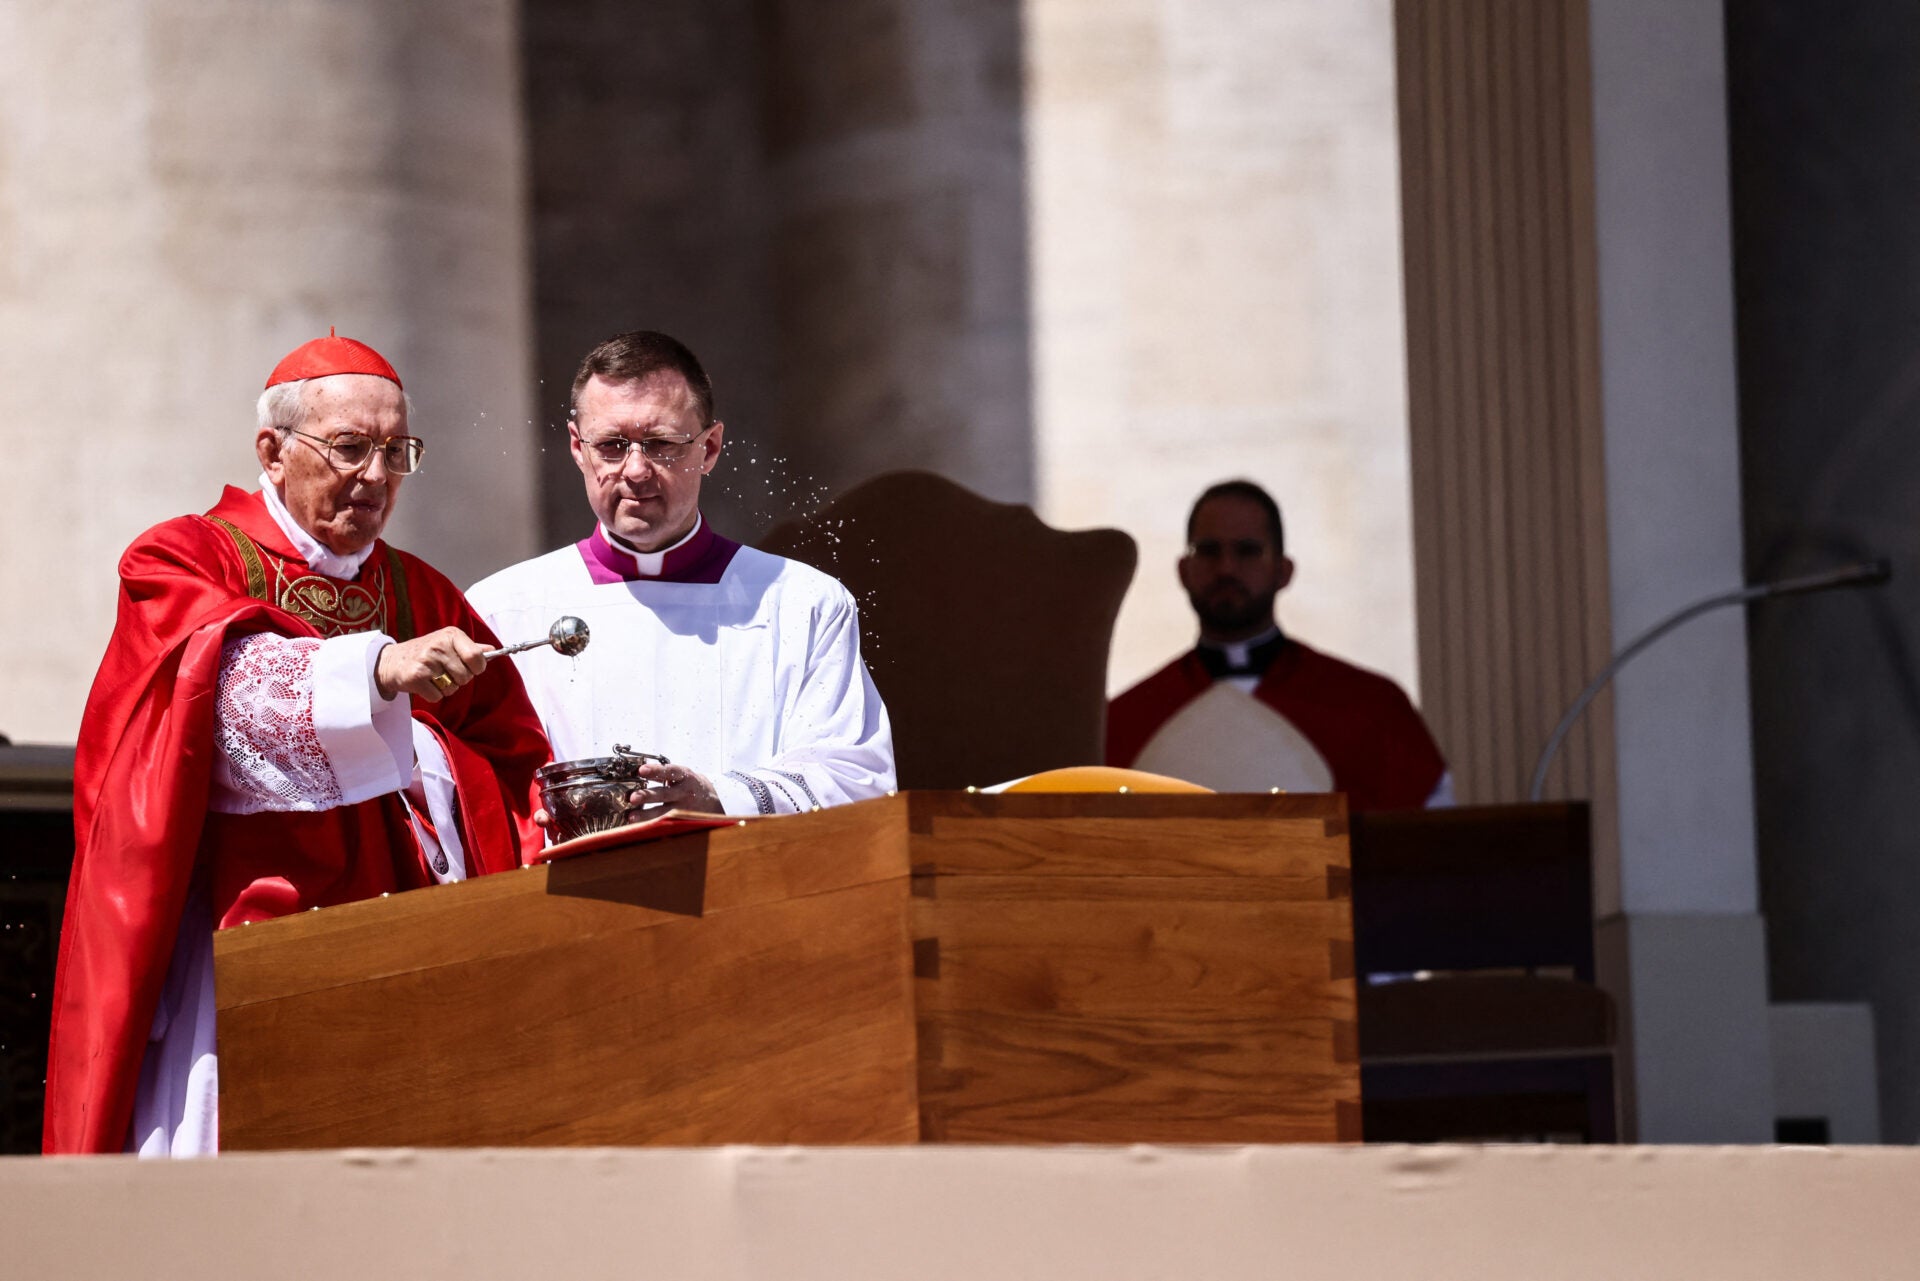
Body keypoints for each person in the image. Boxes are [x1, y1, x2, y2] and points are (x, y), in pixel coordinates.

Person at [43, 333, 550, 1156]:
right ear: (272, 453)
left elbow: (511, 755)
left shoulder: (419, 588)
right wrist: (377, 673)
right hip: (243, 940)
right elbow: (213, 703)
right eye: (351, 448)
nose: (377, 478)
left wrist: (440, 766)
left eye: (396, 452)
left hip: (403, 954)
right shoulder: (183, 556)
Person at [467, 330, 893, 817]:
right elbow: (464, 783)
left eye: (660, 444)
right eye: (610, 445)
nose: (635, 470)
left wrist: (717, 797)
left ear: (709, 448)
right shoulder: (503, 608)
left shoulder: (802, 603)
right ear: (577, 448)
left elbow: (855, 779)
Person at [1106, 479, 1450, 811]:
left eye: (1248, 551)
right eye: (1209, 551)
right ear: (1183, 570)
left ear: (1283, 571)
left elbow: (1427, 847)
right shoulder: (1124, 720)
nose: (1226, 568)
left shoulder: (1372, 708)